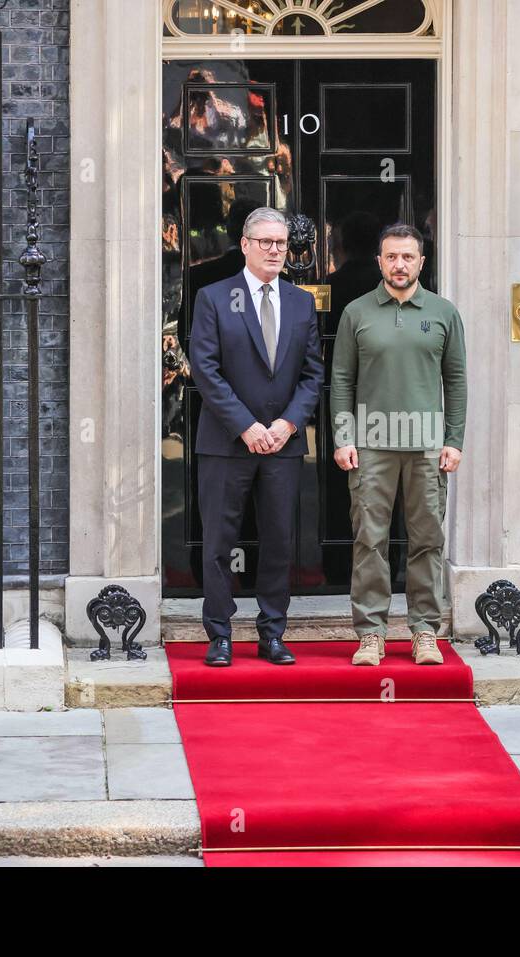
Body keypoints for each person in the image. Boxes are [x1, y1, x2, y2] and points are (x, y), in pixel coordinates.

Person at [189, 207, 323, 667]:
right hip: (227, 443)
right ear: (245, 245)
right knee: (219, 543)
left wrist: (287, 424)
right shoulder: (213, 297)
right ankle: (220, 634)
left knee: (279, 541)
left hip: (283, 446)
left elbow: (312, 375)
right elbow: (205, 371)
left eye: (281, 243)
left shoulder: (301, 302)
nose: (273, 250)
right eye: (264, 242)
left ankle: (272, 632)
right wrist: (246, 426)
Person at [330, 223, 467, 666]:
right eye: (392, 256)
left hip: (427, 446)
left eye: (408, 257)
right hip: (371, 446)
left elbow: (456, 380)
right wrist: (342, 436)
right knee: (370, 540)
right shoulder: (357, 312)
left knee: (427, 539)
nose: (400, 264)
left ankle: (425, 630)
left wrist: (454, 440)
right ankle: (371, 633)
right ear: (380, 261)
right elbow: (342, 380)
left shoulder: (444, 312)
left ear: (421, 262)